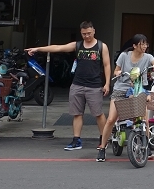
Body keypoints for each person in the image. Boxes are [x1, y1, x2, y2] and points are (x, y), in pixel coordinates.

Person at [26, 21, 111, 151]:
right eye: (84, 34)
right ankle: (76, 140)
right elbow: (58, 48)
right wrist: (38, 49)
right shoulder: (77, 45)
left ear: (94, 31)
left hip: (94, 85)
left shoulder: (101, 46)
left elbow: (107, 65)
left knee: (98, 114)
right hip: (77, 84)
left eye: (89, 33)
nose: (86, 36)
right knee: (77, 114)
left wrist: (107, 83)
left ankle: (104, 139)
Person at [97, 34, 154, 162]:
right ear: (135, 46)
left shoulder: (147, 57)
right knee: (110, 119)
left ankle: (146, 146)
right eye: (142, 44)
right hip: (121, 89)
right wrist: (118, 73)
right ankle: (102, 147)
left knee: (144, 120)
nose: (145, 46)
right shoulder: (124, 56)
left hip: (138, 89)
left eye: (146, 44)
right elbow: (116, 71)